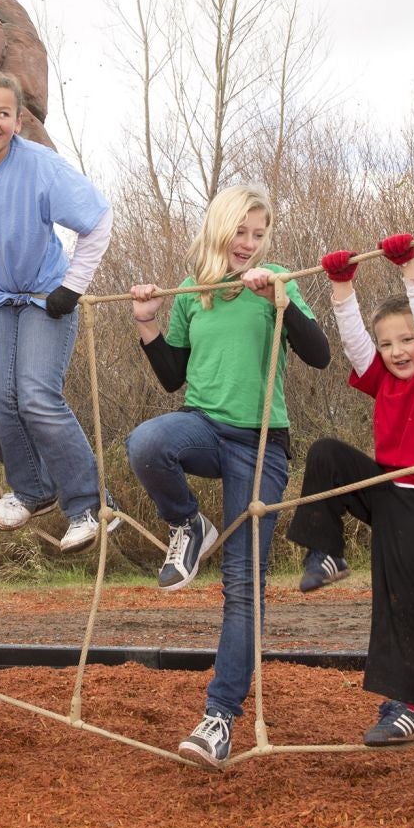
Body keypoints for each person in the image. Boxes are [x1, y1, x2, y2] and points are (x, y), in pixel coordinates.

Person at [125, 185, 332, 768]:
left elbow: (319, 356)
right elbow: (173, 376)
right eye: (240, 231)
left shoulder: (277, 283)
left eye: (258, 233)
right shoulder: (194, 292)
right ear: (218, 230)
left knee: (244, 584)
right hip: (202, 428)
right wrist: (147, 324)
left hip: (261, 445)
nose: (248, 243)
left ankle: (219, 719)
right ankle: (189, 525)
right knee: (145, 442)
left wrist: (281, 302)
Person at [287, 233, 414, 746]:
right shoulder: (382, 378)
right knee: (325, 453)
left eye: (405, 340)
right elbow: (354, 344)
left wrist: (412, 271)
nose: (396, 352)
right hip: (390, 490)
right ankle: (327, 553)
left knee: (399, 598)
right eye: (388, 343)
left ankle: (406, 707)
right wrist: (342, 289)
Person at [0, 69, 114, 552]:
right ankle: (33, 489)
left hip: (42, 294)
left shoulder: (39, 165)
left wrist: (72, 287)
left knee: (35, 395)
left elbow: (98, 219)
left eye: (2, 114)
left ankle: (90, 506)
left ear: (19, 120)